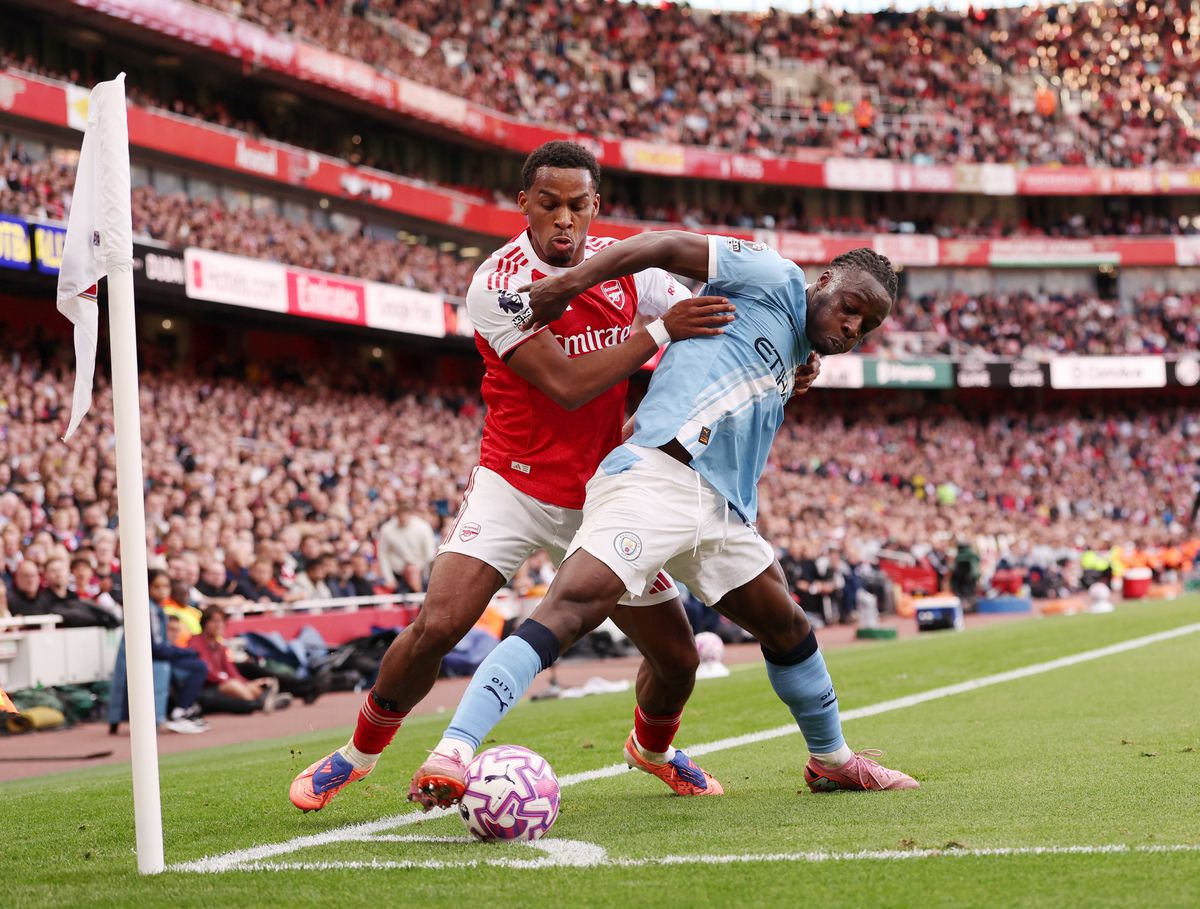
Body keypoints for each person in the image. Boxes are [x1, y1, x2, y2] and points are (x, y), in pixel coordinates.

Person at [290, 140, 782, 813]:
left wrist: (788, 353)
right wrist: (661, 333)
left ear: (595, 206)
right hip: (513, 484)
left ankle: (652, 750)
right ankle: (356, 756)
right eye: (548, 203)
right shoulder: (496, 284)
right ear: (524, 203)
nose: (563, 218)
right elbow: (569, 385)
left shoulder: (628, 272)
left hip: (604, 494)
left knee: (678, 658)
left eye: (578, 205)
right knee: (439, 624)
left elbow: (712, 316)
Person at [414, 231, 919, 800]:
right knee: (574, 607)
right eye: (851, 308)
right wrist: (569, 284)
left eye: (866, 326)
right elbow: (662, 245)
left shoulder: (799, 352)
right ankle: (453, 750)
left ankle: (830, 760)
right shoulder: (772, 275)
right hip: (656, 478)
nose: (853, 327)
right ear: (823, 281)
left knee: (787, 628)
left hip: (722, 508)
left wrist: (798, 369)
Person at [189, 605, 287, 715]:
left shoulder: (220, 647)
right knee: (233, 685)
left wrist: (248, 683)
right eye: (215, 621)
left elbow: (232, 671)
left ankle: (264, 701)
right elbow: (208, 672)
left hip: (223, 684)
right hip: (206, 689)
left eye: (221, 622)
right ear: (205, 623)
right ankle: (263, 703)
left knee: (259, 684)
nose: (219, 625)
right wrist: (229, 680)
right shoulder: (196, 643)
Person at [376, 502, 436, 594]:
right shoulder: (387, 529)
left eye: (406, 513)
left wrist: (421, 573)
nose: (403, 517)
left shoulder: (423, 527)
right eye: (401, 514)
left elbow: (430, 553)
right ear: (396, 514)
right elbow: (383, 554)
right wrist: (389, 578)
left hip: (420, 572)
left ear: (410, 514)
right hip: (398, 575)